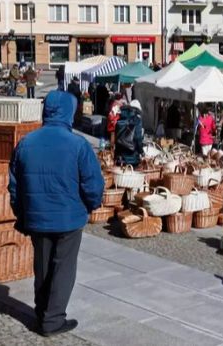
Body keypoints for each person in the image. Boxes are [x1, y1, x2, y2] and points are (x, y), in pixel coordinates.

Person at [9, 91, 104, 336]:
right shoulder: (78, 145)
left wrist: (22, 212)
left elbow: (14, 185)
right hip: (68, 217)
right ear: (68, 112)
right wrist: (91, 205)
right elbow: (93, 184)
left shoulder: (26, 143)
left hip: (37, 217)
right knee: (63, 268)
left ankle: (42, 313)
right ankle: (52, 320)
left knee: (42, 265)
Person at [114, 100, 144, 166]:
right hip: (132, 156)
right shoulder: (137, 120)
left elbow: (116, 135)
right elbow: (138, 138)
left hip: (120, 155)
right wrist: (141, 151)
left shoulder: (120, 118)